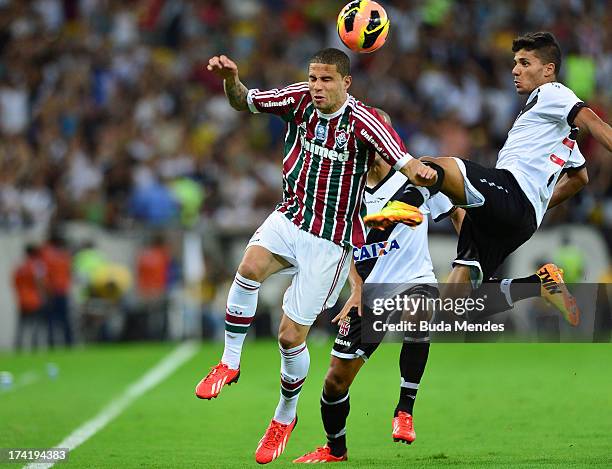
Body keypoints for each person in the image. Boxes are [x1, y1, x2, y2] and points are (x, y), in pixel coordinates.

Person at [194, 48, 438, 464]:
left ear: (346, 83)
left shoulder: (364, 123)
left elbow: (405, 161)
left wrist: (426, 174)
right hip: (290, 216)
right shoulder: (298, 99)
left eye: (326, 79)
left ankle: (284, 417)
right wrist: (230, 80)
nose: (317, 86)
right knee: (248, 267)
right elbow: (244, 101)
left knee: (290, 337)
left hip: (332, 240)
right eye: (313, 77)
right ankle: (228, 362)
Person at [369, 32, 611, 321]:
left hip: (510, 192)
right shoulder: (557, 130)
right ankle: (539, 284)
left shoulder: (553, 93)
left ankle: (399, 210)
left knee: (431, 164)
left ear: (548, 70)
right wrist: (539, 204)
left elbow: (595, 124)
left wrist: (526, 200)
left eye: (524, 63)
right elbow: (579, 178)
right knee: (453, 307)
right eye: (515, 62)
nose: (515, 70)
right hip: (522, 218)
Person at [294, 110, 463, 463]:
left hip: (415, 281)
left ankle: (404, 409)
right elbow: (350, 249)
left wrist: (471, 258)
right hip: (370, 295)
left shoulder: (418, 179)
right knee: (334, 382)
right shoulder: (346, 191)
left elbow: (458, 211)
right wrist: (356, 289)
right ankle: (335, 449)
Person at [13, 244, 46, 350]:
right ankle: (34, 347)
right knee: (35, 325)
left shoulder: (20, 267)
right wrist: (44, 295)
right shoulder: (37, 265)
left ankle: (18, 347)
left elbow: (15, 283)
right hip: (34, 299)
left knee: (21, 326)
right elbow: (40, 282)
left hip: (22, 300)